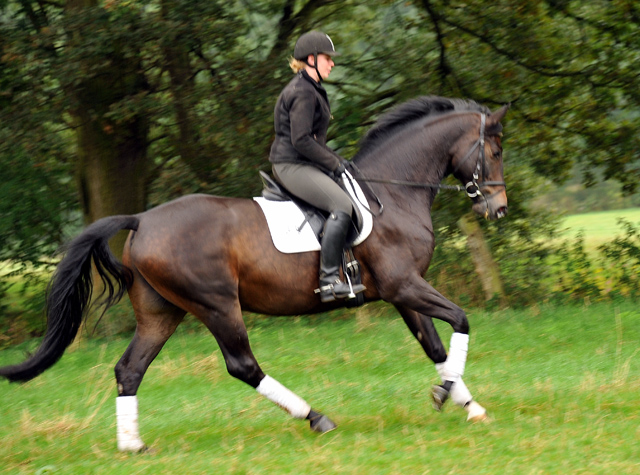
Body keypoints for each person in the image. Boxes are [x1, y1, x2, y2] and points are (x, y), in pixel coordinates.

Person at [269, 31, 365, 303]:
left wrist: (339, 161)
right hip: (291, 165)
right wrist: (334, 163)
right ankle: (329, 281)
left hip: (303, 162)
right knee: (342, 206)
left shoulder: (310, 88)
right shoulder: (303, 92)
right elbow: (301, 141)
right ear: (310, 59)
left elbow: (313, 140)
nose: (332, 63)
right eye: (327, 58)